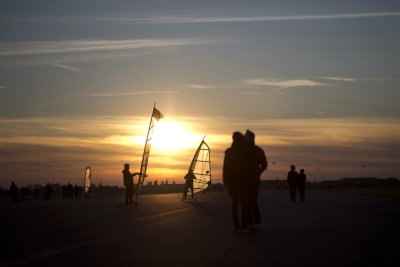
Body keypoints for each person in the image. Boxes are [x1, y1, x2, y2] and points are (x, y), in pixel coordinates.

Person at [223, 131, 249, 232]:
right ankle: (243, 224)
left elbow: (225, 168)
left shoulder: (229, 152)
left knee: (235, 204)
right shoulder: (245, 151)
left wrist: (226, 181)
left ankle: (237, 225)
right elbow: (249, 168)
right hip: (243, 182)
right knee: (243, 204)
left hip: (234, 182)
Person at [244, 130, 268, 229]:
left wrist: (257, 172)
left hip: (254, 179)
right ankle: (252, 221)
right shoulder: (242, 150)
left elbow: (264, 164)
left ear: (251, 138)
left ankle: (253, 221)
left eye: (247, 137)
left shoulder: (257, 150)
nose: (245, 139)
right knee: (247, 201)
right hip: (244, 179)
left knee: (251, 200)